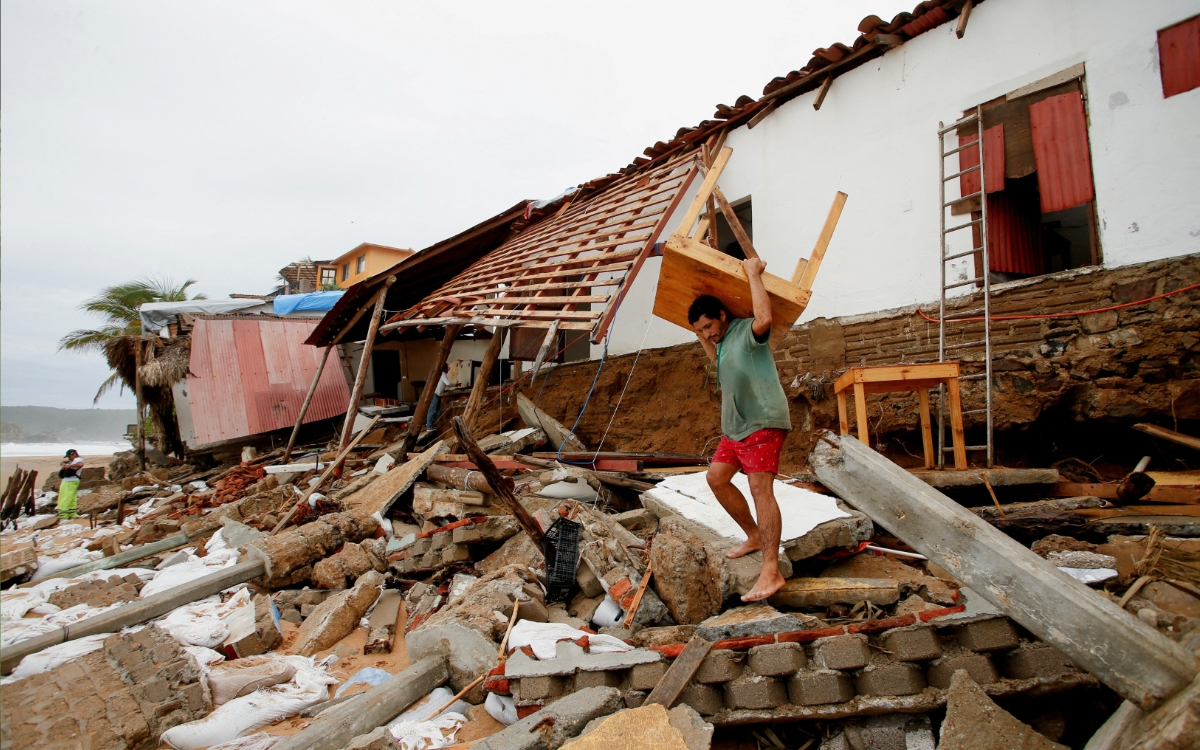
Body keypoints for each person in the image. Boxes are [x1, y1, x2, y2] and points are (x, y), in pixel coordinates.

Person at [690, 257, 792, 602]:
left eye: (709, 326)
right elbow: (714, 358)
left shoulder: (745, 333)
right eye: (701, 331)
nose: (708, 333)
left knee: (760, 489)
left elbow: (765, 318)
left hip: (762, 420)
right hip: (735, 429)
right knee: (716, 478)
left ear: (721, 315)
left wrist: (752, 274)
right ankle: (753, 536)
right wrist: (702, 336)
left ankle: (771, 570)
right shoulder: (722, 347)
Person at [58, 449, 85, 520]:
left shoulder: (78, 460)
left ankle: (63, 515)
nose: (69, 458)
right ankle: (72, 513)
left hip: (69, 482)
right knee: (72, 498)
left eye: (69, 456)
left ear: (74, 454)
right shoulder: (75, 460)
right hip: (72, 481)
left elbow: (80, 464)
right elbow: (63, 462)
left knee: (65, 497)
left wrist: (69, 466)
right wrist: (64, 464)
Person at [425, 364, 452, 431]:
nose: (448, 370)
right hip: (435, 394)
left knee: (438, 410)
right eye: (447, 368)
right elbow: (448, 383)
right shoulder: (443, 374)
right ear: (444, 368)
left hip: (437, 394)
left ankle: (432, 424)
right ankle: (429, 425)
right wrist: (455, 384)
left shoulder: (441, 375)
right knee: (433, 409)